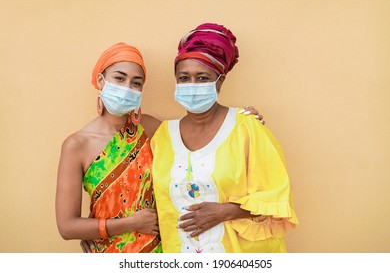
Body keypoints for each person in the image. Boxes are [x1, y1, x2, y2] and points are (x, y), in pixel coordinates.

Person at [55, 42, 264, 253]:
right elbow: (67, 227)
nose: (127, 87)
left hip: (166, 247)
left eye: (136, 83)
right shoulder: (76, 145)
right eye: (119, 78)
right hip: (108, 250)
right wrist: (125, 225)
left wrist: (241, 121)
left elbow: (203, 133)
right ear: (101, 80)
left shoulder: (152, 128)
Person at [150, 23, 298, 253]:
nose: (192, 85)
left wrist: (225, 211)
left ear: (219, 82)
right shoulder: (162, 136)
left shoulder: (246, 127)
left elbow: (276, 198)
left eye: (202, 78)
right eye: (184, 78)